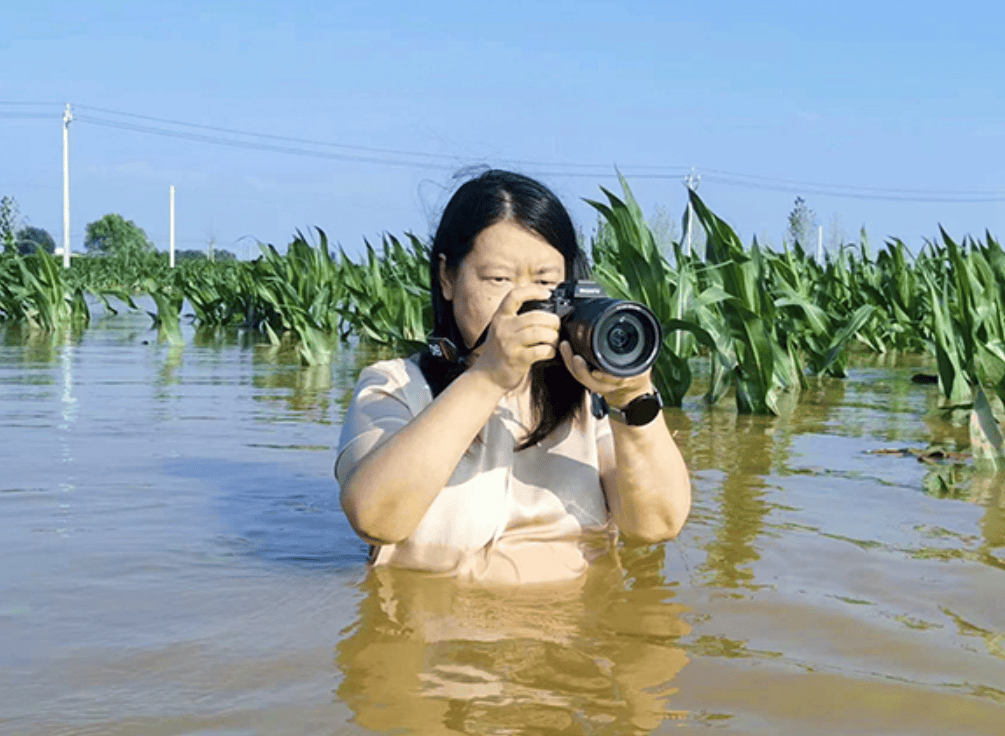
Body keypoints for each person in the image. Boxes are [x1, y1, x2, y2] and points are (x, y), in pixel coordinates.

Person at [335, 169, 690, 584]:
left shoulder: (590, 398)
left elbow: (656, 526)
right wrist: (487, 377)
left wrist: (633, 397)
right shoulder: (392, 387)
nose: (523, 301)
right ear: (447, 277)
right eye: (499, 279)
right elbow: (376, 520)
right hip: (436, 638)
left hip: (571, 638)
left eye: (545, 281)